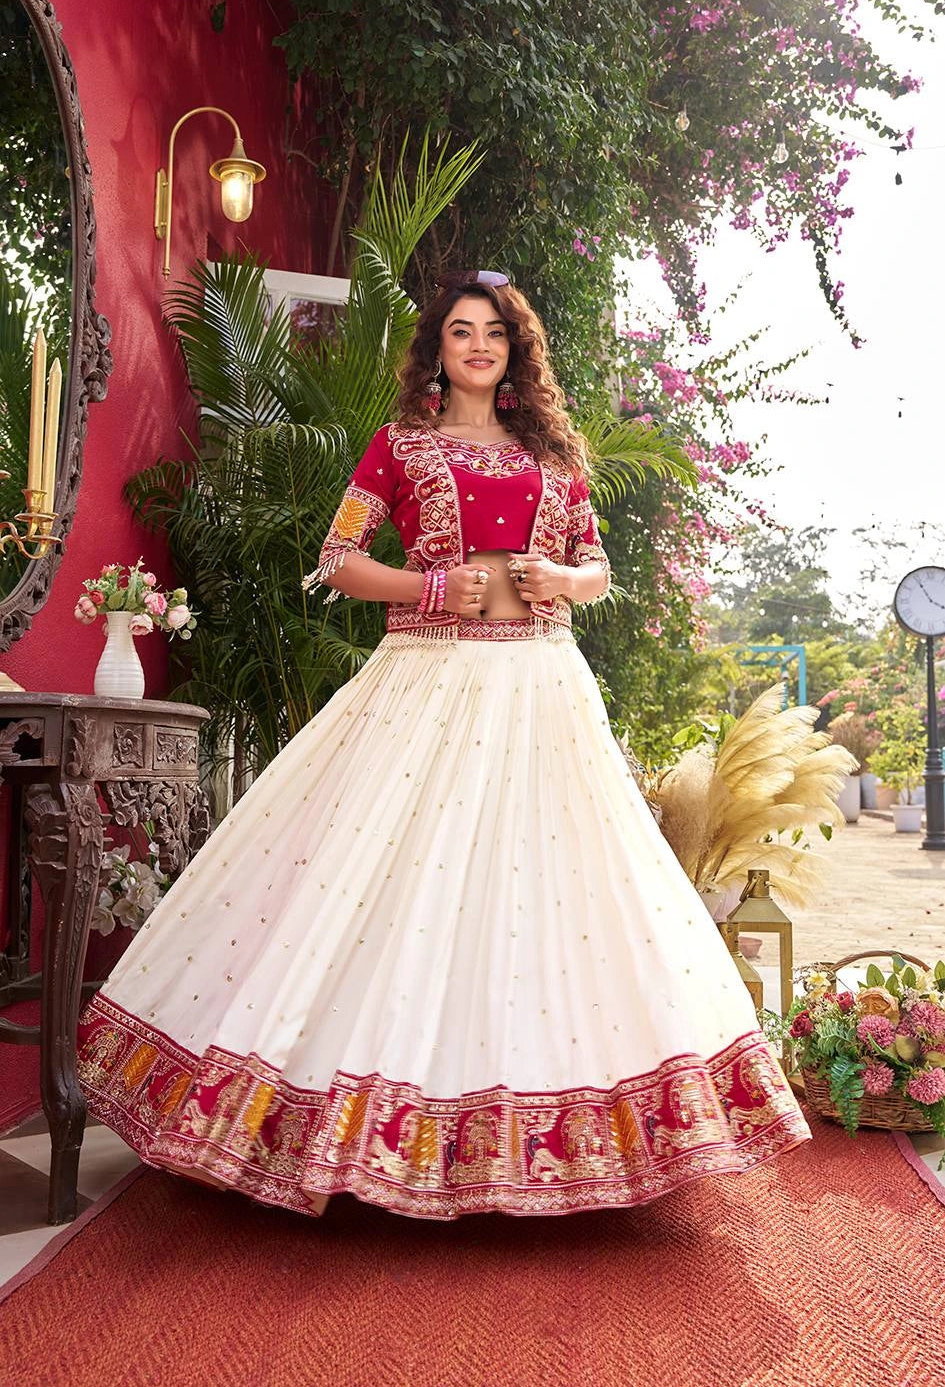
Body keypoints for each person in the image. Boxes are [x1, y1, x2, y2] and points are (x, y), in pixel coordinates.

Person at [76, 269, 811, 1221]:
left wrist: (562, 577)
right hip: (425, 682)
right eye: (460, 331)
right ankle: (340, 1126)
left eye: (493, 332)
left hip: (542, 688)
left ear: (514, 352)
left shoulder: (556, 455)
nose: (477, 345)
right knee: (392, 887)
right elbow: (336, 563)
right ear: (437, 349)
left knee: (550, 896)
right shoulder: (399, 446)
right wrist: (427, 591)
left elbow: (598, 570)